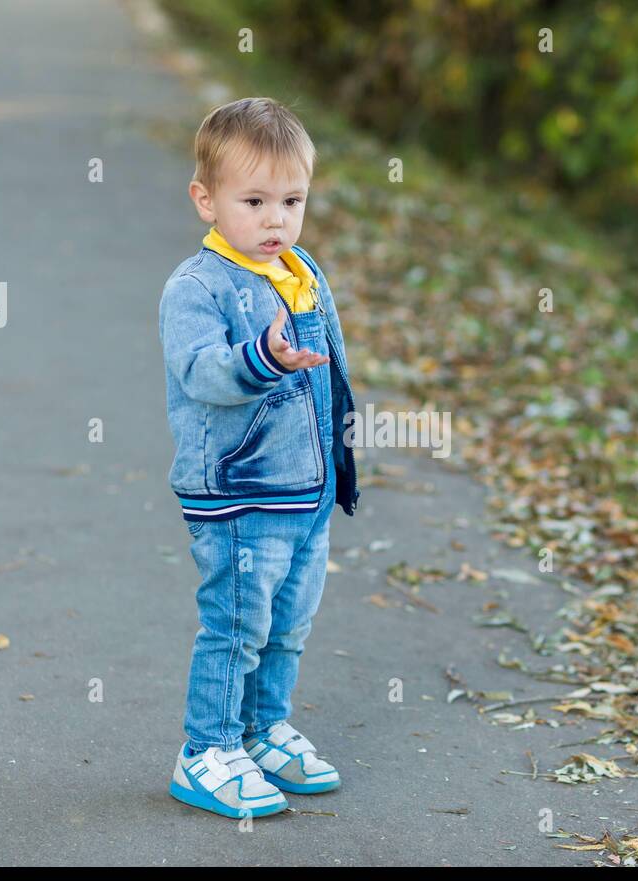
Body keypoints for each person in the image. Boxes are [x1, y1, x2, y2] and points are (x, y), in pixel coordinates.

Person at [158, 97, 359, 818]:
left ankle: (262, 730)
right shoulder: (197, 287)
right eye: (254, 201)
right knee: (237, 624)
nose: (276, 219)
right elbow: (203, 373)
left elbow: (330, 371)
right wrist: (262, 357)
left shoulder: (300, 269)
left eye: (292, 200)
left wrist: (341, 461)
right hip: (240, 493)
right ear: (206, 200)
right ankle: (206, 749)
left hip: (305, 490)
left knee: (288, 624)